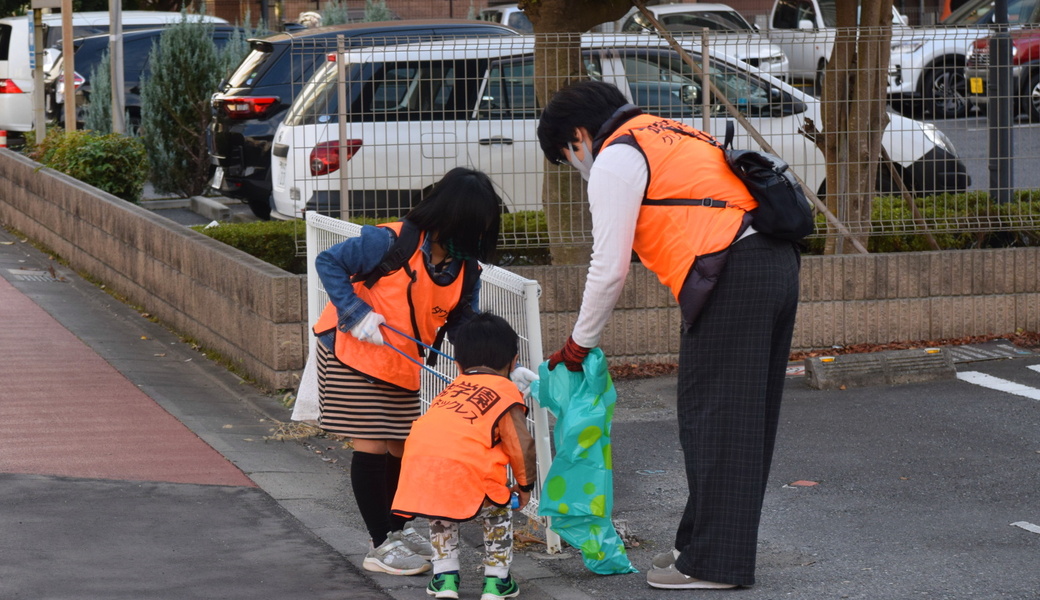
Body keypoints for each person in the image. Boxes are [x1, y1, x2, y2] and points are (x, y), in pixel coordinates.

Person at [536, 80, 801, 590]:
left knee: (716, 420)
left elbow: (608, 268)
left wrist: (577, 345)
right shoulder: (672, 131)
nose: (575, 164)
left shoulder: (617, 155)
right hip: (772, 263)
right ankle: (695, 546)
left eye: (567, 155)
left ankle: (712, 565)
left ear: (578, 136)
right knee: (733, 418)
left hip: (733, 274)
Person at [312, 167, 502, 576]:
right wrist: (356, 312)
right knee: (373, 446)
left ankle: (395, 530)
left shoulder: (465, 268)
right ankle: (380, 545)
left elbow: (461, 324)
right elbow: (327, 262)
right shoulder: (390, 241)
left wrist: (496, 368)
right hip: (352, 350)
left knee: (405, 448)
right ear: (453, 216)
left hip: (399, 363)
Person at [392, 312, 537, 600]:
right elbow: (520, 444)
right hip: (476, 479)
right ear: (513, 360)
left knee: (441, 515)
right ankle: (497, 582)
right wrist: (525, 485)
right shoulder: (506, 392)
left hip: (425, 475)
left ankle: (444, 578)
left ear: (458, 363)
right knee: (497, 514)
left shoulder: (449, 391)